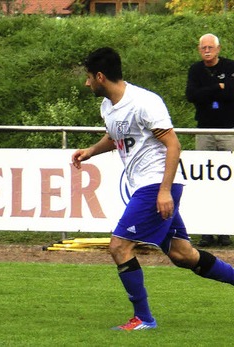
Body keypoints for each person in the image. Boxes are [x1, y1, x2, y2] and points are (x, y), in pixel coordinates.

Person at [73, 47, 234, 331]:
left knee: (119, 246)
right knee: (184, 255)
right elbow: (115, 136)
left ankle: (144, 318)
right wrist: (90, 151)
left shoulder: (144, 102)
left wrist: (163, 191)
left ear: (100, 76)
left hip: (154, 186)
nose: (87, 83)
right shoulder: (108, 106)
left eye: (89, 77)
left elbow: (174, 144)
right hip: (145, 188)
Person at [186, 33, 234, 247]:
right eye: (203, 47)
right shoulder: (196, 70)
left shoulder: (231, 67)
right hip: (204, 130)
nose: (207, 50)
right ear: (199, 49)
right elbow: (192, 95)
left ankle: (224, 230)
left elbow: (231, 94)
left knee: (227, 181)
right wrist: (218, 88)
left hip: (228, 131)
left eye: (210, 47)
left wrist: (210, 92)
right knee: (204, 181)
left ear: (218, 48)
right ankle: (206, 231)